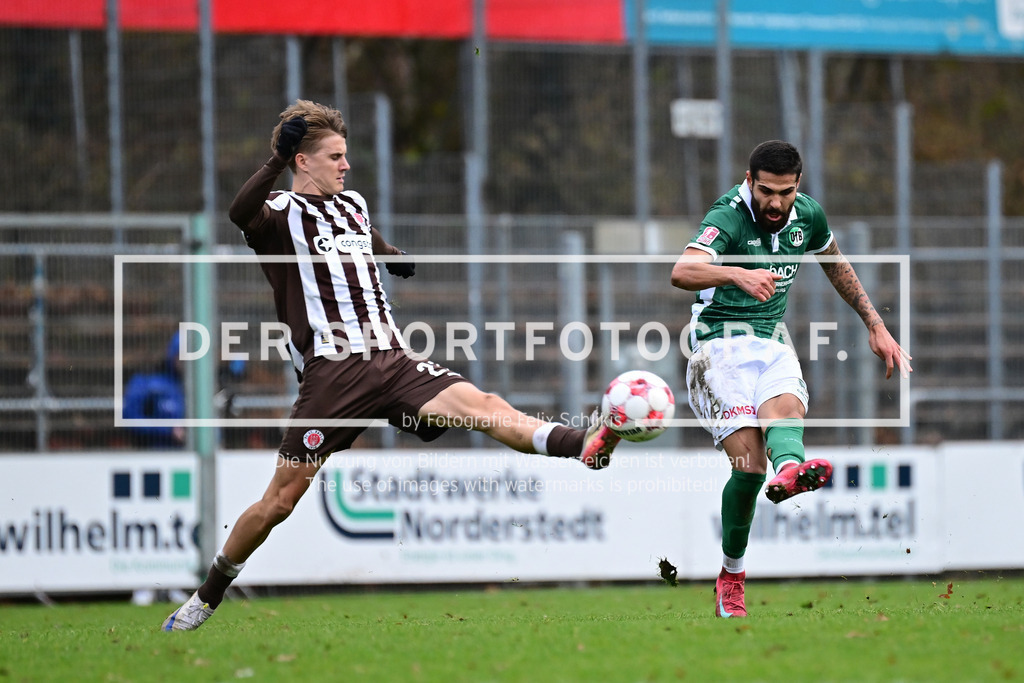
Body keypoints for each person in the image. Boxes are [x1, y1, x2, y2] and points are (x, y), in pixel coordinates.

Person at [161, 100, 619, 631]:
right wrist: (272, 162)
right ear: (302, 162)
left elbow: (360, 238)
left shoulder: (352, 204)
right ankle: (207, 596)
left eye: (345, 155)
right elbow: (240, 212)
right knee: (280, 502)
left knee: (485, 405)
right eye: (334, 156)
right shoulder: (280, 215)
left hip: (391, 357)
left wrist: (389, 252)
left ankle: (582, 444)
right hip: (333, 375)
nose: (345, 165)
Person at [670, 140, 912, 619]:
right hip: (716, 351)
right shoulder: (730, 213)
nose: (774, 202)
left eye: (784, 192)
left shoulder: (808, 216)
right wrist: (735, 273)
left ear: (797, 184)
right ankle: (731, 578)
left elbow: (836, 264)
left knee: (785, 412)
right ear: (749, 181)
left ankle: (791, 473)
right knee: (748, 467)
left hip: (771, 344)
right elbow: (681, 271)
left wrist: (876, 324)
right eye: (765, 192)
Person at [123, 333, 186, 450]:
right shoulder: (147, 381)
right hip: (154, 454)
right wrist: (168, 430)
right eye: (182, 356)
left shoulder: (198, 387)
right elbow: (130, 418)